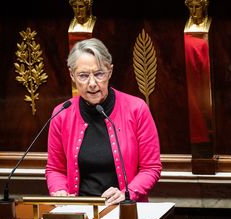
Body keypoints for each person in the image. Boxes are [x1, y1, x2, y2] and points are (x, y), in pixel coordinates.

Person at [45, 38, 162, 206]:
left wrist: (127, 193)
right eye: (83, 76)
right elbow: (55, 169)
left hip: (125, 209)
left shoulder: (136, 108)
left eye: (99, 74)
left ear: (110, 72)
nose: (92, 84)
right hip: (79, 211)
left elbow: (151, 167)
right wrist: (60, 191)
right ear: (72, 75)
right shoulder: (61, 114)